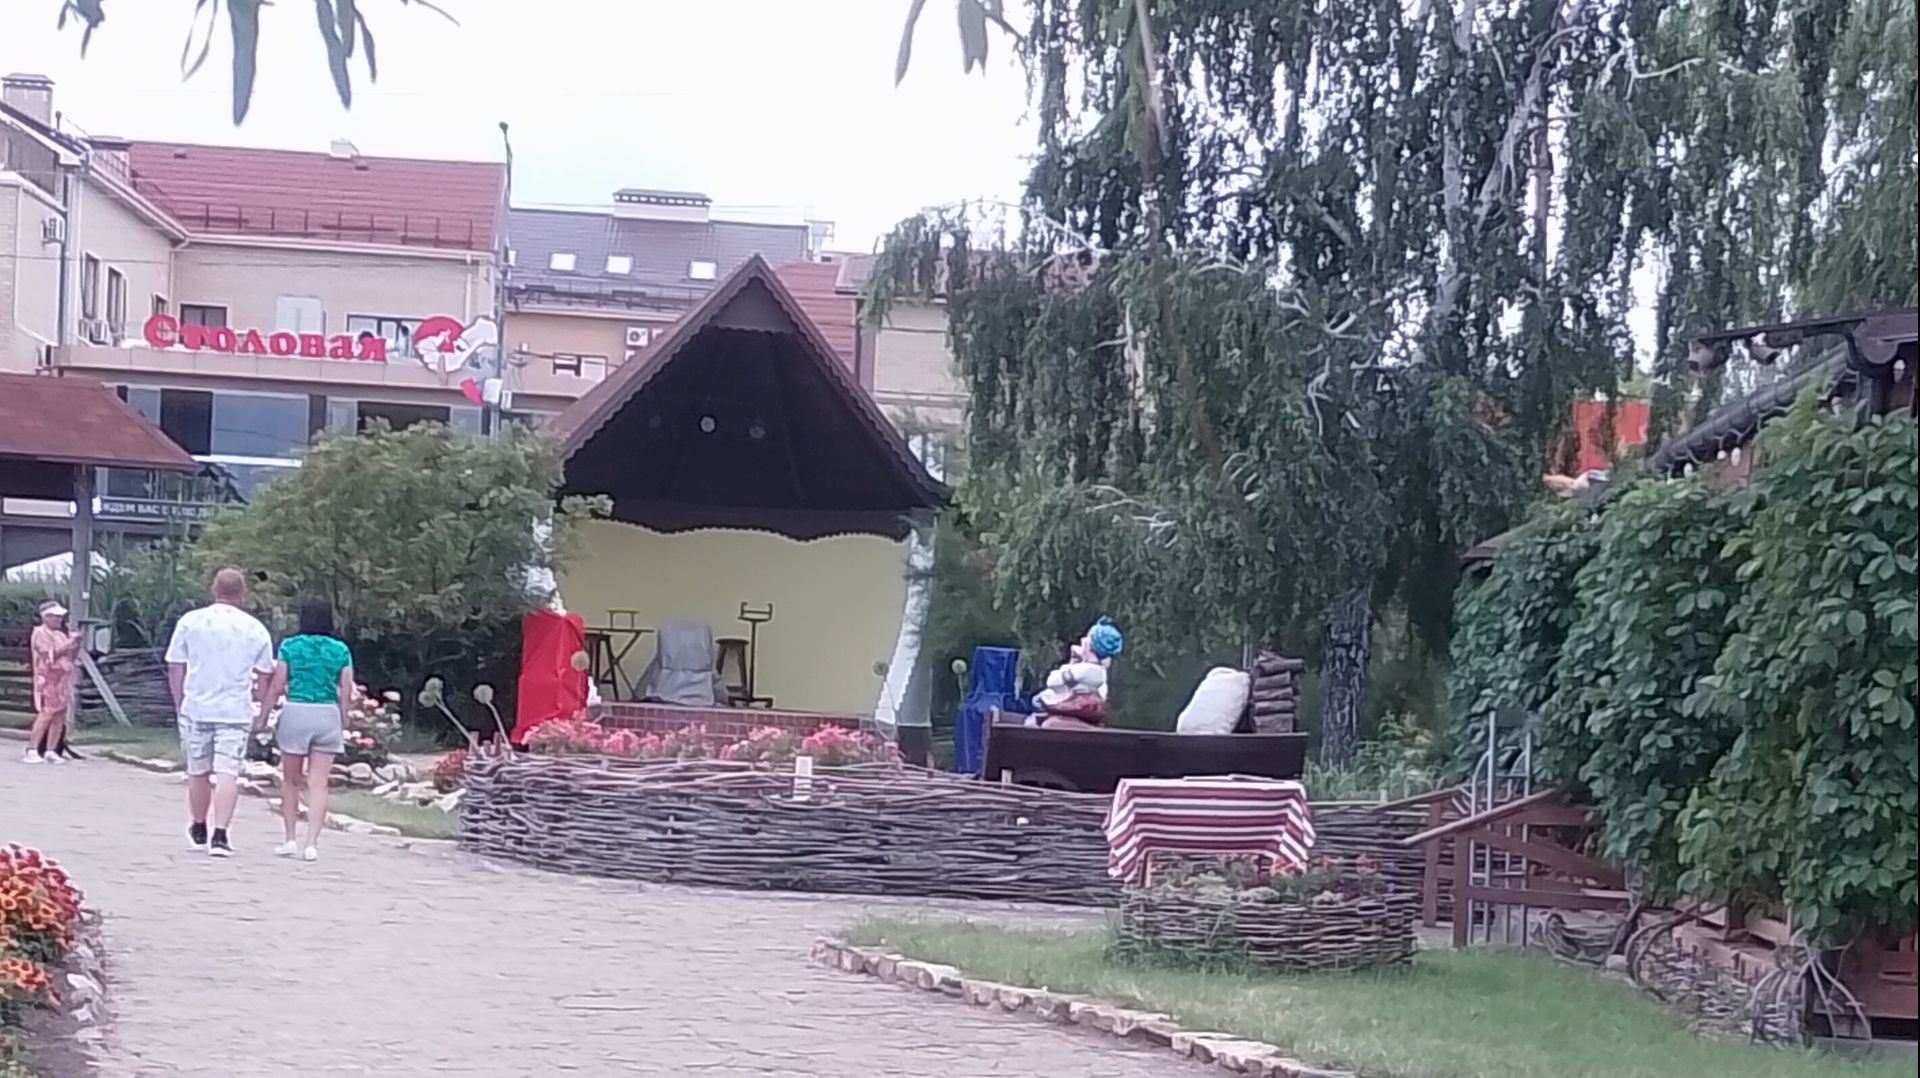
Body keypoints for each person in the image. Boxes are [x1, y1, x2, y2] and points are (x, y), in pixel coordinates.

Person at [165, 568, 274, 857]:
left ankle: (199, 823)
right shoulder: (254, 629)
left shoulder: (191, 621)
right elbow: (265, 673)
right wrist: (260, 705)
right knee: (228, 772)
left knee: (198, 770)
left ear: (214, 589)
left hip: (197, 706)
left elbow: (176, 665)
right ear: (242, 593)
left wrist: (179, 700)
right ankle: (221, 834)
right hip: (234, 710)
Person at [263, 596, 354, 862]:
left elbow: (277, 684)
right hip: (326, 713)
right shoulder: (340, 650)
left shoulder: (290, 646)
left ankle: (290, 839)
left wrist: (263, 715)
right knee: (319, 783)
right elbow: (346, 689)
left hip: (297, 710)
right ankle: (312, 843)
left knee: (291, 780)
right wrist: (344, 717)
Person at [25, 601, 84, 764]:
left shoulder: (60, 635)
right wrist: (68, 644)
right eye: (55, 616)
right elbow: (48, 656)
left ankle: (51, 750)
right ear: (46, 617)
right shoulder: (40, 633)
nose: (59, 619)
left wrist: (76, 644)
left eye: (60, 617)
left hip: (62, 679)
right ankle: (32, 749)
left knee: (59, 715)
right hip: (47, 678)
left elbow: (70, 656)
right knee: (46, 714)